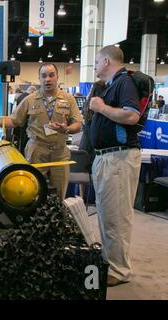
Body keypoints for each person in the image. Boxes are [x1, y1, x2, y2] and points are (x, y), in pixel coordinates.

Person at [0, 63, 83, 200]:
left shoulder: (69, 99)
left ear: (57, 77)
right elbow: (14, 121)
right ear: (39, 78)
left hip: (60, 153)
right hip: (36, 151)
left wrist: (67, 128)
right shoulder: (29, 99)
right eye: (44, 76)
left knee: (59, 195)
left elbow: (78, 125)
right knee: (31, 192)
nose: (47, 79)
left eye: (51, 75)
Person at [89, 45, 141, 287]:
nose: (95, 65)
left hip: (118, 159)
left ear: (107, 61)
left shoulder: (123, 83)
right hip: (107, 158)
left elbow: (132, 116)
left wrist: (101, 108)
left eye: (97, 60)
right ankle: (110, 262)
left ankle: (120, 271)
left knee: (117, 217)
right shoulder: (110, 86)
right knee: (108, 216)